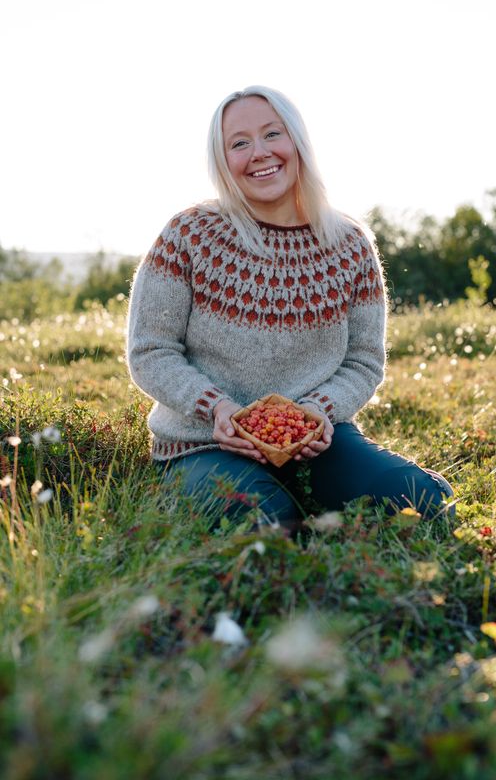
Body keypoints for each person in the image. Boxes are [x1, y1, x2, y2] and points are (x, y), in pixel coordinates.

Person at [126, 85, 454, 533]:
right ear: (223, 162)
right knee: (265, 526)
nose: (259, 153)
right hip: (202, 443)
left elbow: (363, 361)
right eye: (239, 143)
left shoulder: (349, 245)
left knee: (425, 502)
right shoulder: (188, 235)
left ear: (297, 142)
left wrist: (318, 411)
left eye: (272, 134)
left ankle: (318, 489)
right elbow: (151, 351)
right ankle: (275, 505)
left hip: (322, 440)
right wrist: (217, 408)